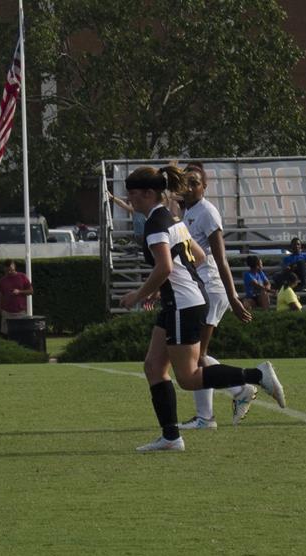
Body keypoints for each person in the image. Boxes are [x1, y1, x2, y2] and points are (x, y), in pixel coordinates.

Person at [117, 164, 284, 453]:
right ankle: (171, 438)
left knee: (189, 377)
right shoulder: (172, 218)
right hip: (180, 301)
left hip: (184, 304)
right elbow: (198, 255)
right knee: (154, 367)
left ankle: (257, 377)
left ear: (148, 193)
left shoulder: (156, 224)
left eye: (132, 194)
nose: (129, 200)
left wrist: (140, 294)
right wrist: (167, 286)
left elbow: (166, 265)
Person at [174, 162, 261, 430]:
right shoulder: (186, 211)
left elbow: (221, 258)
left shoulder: (207, 212)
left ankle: (237, 392)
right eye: (186, 182)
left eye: (195, 183)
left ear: (205, 186)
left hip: (211, 287)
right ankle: (209, 414)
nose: (189, 188)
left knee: (197, 356)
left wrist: (234, 296)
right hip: (199, 287)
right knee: (197, 356)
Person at [0, 259, 33, 326]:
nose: (9, 272)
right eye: (7, 270)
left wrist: (19, 292)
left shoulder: (22, 277)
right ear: (4, 269)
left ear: (14, 267)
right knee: (7, 334)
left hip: (20, 312)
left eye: (11, 270)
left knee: (20, 333)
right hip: (6, 312)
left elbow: (31, 291)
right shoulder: (2, 280)